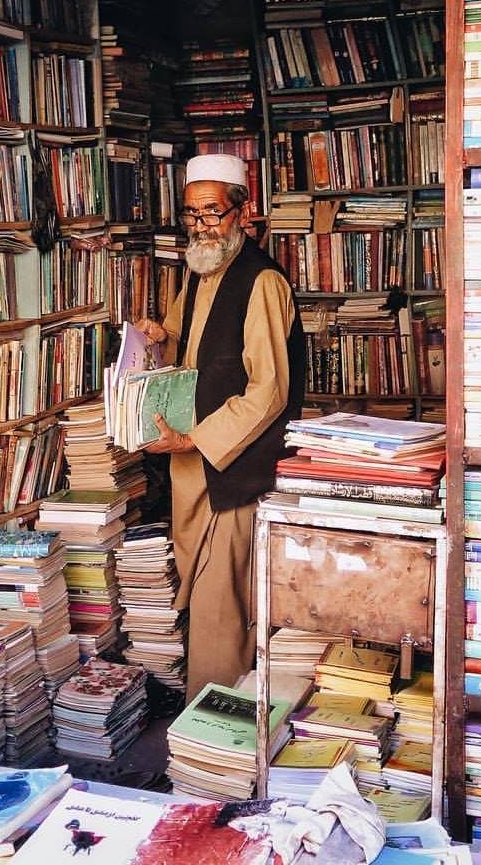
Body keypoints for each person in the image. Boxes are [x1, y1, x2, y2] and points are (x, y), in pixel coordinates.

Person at [135, 153, 304, 699]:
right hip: (194, 467)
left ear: (242, 212)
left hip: (232, 468)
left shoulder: (263, 282)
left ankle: (211, 738)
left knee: (219, 606)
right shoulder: (202, 270)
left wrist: (195, 439)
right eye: (192, 215)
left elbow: (269, 389)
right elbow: (187, 346)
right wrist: (155, 338)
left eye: (212, 213)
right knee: (214, 598)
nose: (202, 226)